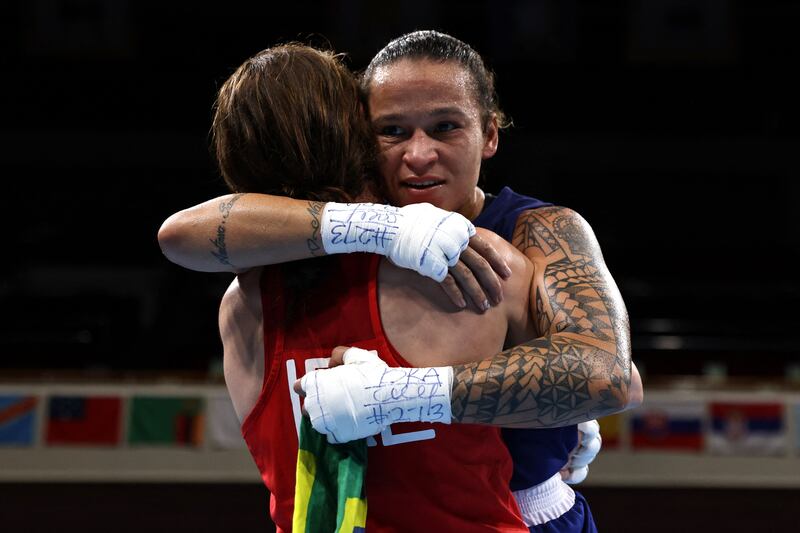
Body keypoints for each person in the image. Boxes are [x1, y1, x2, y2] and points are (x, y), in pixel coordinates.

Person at [159, 33, 643, 531]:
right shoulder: (330, 247)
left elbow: (611, 375)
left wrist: (395, 396)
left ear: (490, 134)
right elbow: (180, 234)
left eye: (445, 127)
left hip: (521, 510)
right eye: (392, 131)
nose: (418, 154)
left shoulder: (531, 233)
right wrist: (382, 226)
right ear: (362, 141)